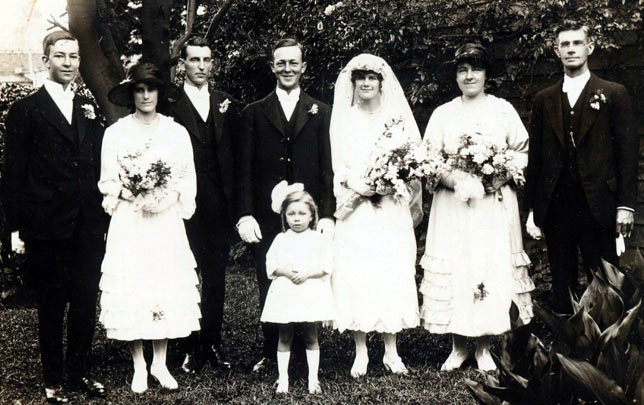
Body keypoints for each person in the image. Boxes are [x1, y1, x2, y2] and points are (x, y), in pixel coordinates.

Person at [1, 30, 109, 403]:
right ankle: (53, 379)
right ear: (45, 60)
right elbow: (13, 174)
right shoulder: (25, 110)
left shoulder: (86, 108)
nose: (68, 63)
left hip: (88, 223)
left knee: (83, 300)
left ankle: (79, 373)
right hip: (47, 223)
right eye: (60, 56)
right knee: (51, 302)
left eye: (74, 57)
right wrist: (14, 229)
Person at [420, 43, 534, 371]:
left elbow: (523, 152)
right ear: (455, 75)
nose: (469, 76)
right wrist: (454, 180)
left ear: (487, 74)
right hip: (454, 205)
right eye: (462, 70)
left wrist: (500, 172)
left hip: (492, 205)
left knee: (487, 265)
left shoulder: (502, 111)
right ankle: (458, 346)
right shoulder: (443, 113)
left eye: (476, 69)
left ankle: (484, 345)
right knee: (458, 265)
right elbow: (427, 160)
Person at [98, 62, 201, 393]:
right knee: (135, 284)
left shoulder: (176, 132)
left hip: (164, 219)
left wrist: (167, 197)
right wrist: (133, 192)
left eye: (151, 89)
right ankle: (139, 365)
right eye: (139, 90)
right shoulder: (115, 133)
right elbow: (108, 179)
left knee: (163, 283)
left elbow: (186, 176)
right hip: (131, 219)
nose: (145, 95)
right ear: (131, 94)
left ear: (160, 93)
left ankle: (160, 361)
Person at [235, 38, 335, 373]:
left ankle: (309, 348)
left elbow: (327, 166)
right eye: (281, 63)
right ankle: (271, 350)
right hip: (268, 215)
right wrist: (246, 213)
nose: (288, 69)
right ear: (272, 67)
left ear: (303, 67)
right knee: (273, 280)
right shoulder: (254, 111)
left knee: (307, 277)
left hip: (307, 216)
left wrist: (328, 212)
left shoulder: (321, 111)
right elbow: (244, 169)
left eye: (294, 63)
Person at [525, 22, 638, 314]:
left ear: (589, 48)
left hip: (599, 203)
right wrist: (532, 210)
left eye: (577, 43)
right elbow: (535, 158)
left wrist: (625, 205)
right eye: (565, 44)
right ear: (557, 51)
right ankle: (565, 351)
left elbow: (627, 154)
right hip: (558, 205)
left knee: (602, 280)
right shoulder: (544, 99)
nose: (571, 49)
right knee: (561, 281)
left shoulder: (613, 93)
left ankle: (605, 353)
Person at [330, 53, 422, 378]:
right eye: (361, 78)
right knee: (358, 271)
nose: (366, 83)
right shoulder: (344, 119)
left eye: (372, 78)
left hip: (390, 206)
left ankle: (391, 350)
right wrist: (362, 186)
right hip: (357, 207)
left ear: (382, 83)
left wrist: (388, 183)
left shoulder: (396, 119)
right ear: (353, 83)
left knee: (391, 269)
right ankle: (360, 351)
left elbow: (411, 159)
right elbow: (339, 164)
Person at [169, 35, 239, 372]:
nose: (200, 66)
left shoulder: (226, 103)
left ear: (212, 64)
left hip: (219, 203)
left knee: (215, 275)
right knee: (183, 272)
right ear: (182, 64)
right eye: (194, 60)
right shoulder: (169, 104)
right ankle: (186, 345)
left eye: (206, 60)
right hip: (182, 203)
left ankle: (211, 343)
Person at [260, 181, 335, 394]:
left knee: (311, 334)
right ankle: (283, 378)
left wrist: (307, 273)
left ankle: (313, 379)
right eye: (291, 214)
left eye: (302, 214)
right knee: (285, 334)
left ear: (312, 215)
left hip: (309, 291)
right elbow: (271, 264)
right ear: (284, 216)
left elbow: (325, 266)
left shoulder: (318, 239)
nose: (297, 219)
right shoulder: (281, 239)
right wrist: (285, 271)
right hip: (286, 292)